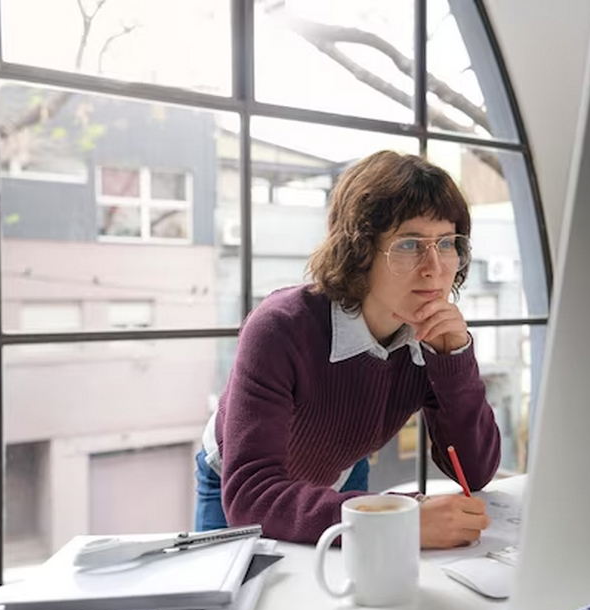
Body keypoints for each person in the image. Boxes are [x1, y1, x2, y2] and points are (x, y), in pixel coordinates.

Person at [194, 150, 501, 548]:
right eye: (409, 243)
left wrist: (454, 361)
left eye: (445, 242)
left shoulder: (432, 333)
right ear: (359, 250)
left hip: (341, 467)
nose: (435, 267)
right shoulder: (280, 328)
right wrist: (397, 522)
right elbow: (252, 498)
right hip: (237, 479)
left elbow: (473, 474)